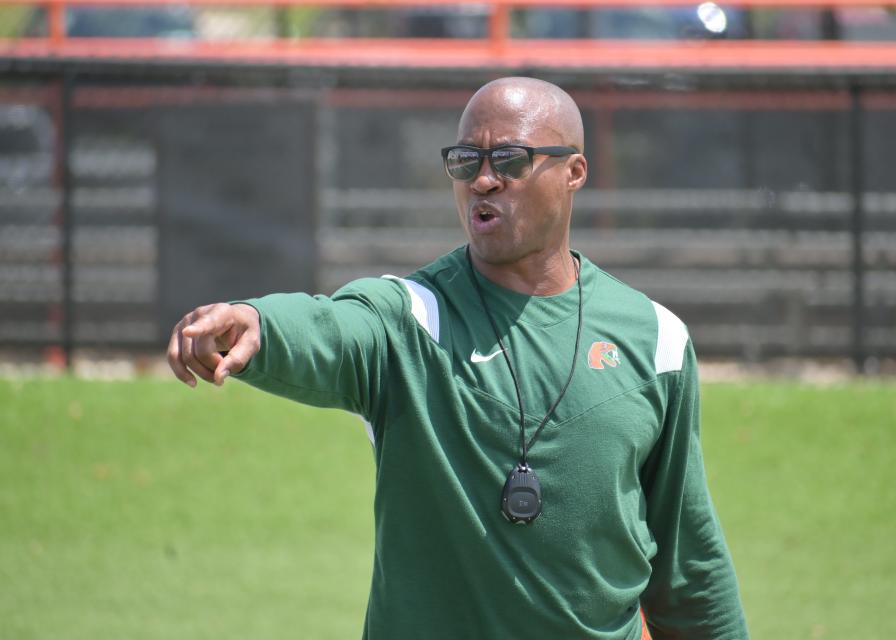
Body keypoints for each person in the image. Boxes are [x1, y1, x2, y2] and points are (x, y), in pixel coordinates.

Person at [167, 77, 749, 639]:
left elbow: (688, 565)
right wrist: (260, 323)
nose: (484, 181)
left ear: (573, 172)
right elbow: (333, 328)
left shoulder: (656, 339)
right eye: (466, 161)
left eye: (511, 160)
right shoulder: (411, 318)